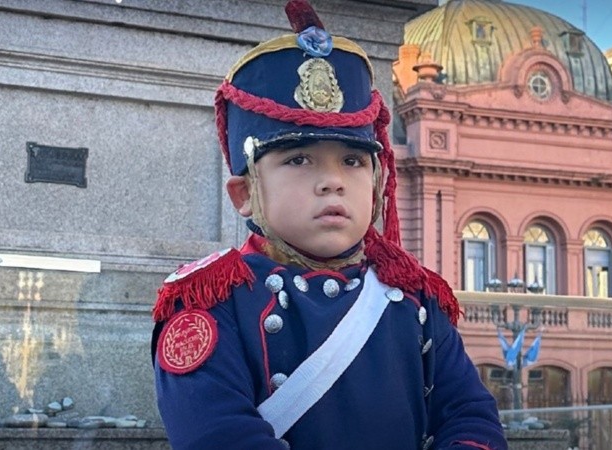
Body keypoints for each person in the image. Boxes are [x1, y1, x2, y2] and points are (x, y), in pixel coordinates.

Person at [151, 1, 507, 449]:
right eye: (299, 159)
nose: (333, 182)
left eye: (353, 161)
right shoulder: (207, 303)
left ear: (378, 184)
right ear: (244, 194)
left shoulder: (415, 299)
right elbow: (220, 436)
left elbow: (471, 418)